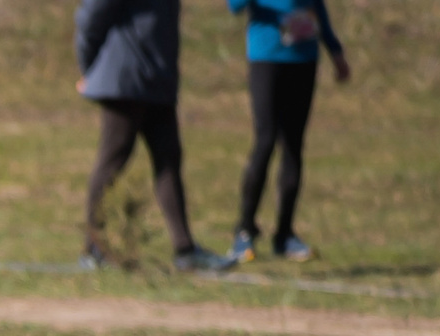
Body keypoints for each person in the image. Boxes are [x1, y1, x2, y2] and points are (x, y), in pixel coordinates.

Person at [76, 0, 234, 273]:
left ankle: (185, 250)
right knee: (113, 160)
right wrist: (90, 67)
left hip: (158, 82)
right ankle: (93, 248)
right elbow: (89, 18)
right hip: (125, 80)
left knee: (168, 161)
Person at [226, 0, 350, 263]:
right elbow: (234, 6)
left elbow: (317, 6)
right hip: (267, 56)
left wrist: (334, 49)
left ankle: (285, 235)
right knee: (266, 139)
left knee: (293, 146)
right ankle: (245, 231)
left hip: (304, 57)